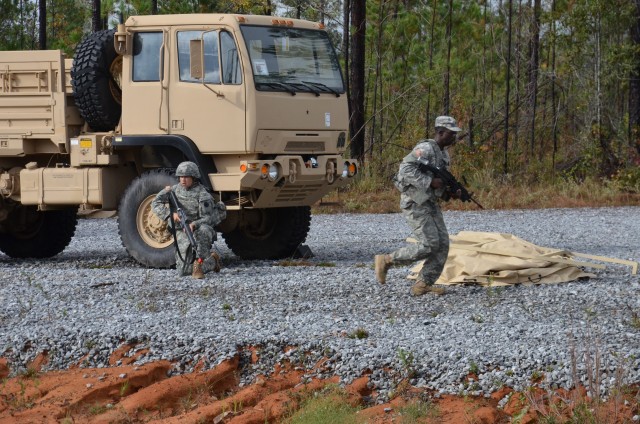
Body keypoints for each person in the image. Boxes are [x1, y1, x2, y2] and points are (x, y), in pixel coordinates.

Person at [374, 116, 462, 296]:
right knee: (428, 244)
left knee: (443, 244)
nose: (454, 137)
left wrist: (449, 192)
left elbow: (439, 183)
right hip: (415, 202)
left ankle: (423, 284)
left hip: (430, 202)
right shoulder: (425, 148)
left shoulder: (443, 154)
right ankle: (387, 260)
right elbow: (405, 170)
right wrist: (429, 182)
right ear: (440, 132)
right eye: (451, 134)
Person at [152, 161, 226, 279]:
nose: (183, 180)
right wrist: (171, 215)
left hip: (199, 228)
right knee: (183, 272)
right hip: (181, 229)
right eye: (181, 177)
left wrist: (195, 224)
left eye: (186, 177)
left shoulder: (203, 194)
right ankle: (213, 261)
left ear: (193, 177)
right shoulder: (174, 190)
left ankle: (199, 263)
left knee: (204, 231)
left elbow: (208, 218)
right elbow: (155, 203)